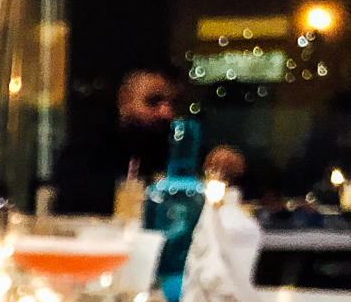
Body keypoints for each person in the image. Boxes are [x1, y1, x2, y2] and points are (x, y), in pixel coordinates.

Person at [52, 67, 246, 215]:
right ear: (124, 101)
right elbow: (74, 196)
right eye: (153, 101)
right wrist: (149, 186)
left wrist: (228, 164)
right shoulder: (87, 146)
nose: (166, 112)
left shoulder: (177, 145)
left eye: (172, 104)